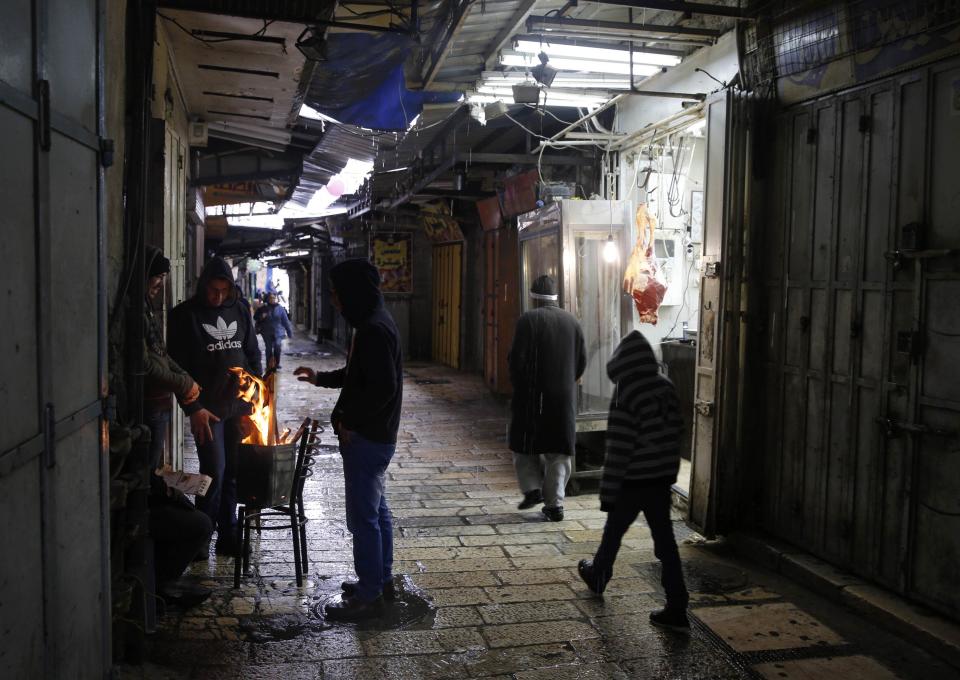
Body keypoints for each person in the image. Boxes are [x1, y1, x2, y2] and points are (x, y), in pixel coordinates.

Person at [294, 258, 402, 622]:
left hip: (368, 438)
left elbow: (383, 389)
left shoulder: (373, 329)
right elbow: (358, 377)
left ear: (356, 292)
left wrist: (351, 423)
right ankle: (380, 579)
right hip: (376, 436)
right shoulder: (372, 324)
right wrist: (319, 378)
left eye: (339, 294)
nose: (336, 302)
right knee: (377, 511)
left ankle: (369, 595)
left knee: (363, 518)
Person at [577, 330, 689, 631]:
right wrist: (668, 469)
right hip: (660, 478)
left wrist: (608, 492)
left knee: (613, 532)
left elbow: (619, 447)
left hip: (633, 480)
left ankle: (599, 575)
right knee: (666, 543)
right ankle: (677, 605)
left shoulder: (628, 392)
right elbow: (679, 430)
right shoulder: (665, 386)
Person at [168, 257, 262, 557]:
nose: (218, 297)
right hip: (207, 411)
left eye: (223, 290)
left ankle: (228, 535)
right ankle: (202, 534)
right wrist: (192, 406)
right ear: (203, 285)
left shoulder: (239, 309)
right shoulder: (185, 316)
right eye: (213, 290)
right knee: (214, 472)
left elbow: (252, 352)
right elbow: (176, 367)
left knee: (234, 471)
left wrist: (258, 394)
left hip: (240, 406)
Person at [142, 245, 213, 607]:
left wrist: (185, 380)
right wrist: (185, 386)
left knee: (166, 482)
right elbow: (145, 363)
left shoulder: (147, 311)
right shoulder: (133, 312)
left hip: (160, 407)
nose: (158, 285)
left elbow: (162, 355)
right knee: (152, 480)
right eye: (155, 278)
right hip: (148, 409)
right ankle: (157, 583)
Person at [507, 274, 586, 522]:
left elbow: (516, 361)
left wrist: (519, 387)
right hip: (563, 398)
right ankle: (555, 505)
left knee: (523, 445)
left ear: (532, 297)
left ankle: (532, 490)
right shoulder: (572, 321)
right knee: (558, 452)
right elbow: (581, 361)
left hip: (532, 397)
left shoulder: (527, 320)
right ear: (555, 297)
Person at [254, 292, 294, 370]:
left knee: (277, 346)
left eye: (273, 298)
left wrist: (289, 332)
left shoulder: (280, 308)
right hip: (266, 331)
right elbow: (255, 317)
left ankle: (276, 363)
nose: (272, 299)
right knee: (268, 348)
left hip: (278, 332)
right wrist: (262, 316)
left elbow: (285, 321)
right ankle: (269, 365)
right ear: (268, 299)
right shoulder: (263, 308)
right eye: (270, 298)